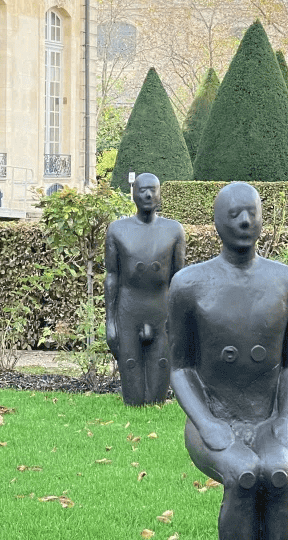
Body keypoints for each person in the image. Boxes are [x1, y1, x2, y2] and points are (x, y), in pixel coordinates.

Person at [168, 182, 288, 540]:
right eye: (234, 214)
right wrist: (207, 423)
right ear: (217, 222)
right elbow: (179, 369)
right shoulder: (188, 284)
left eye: (252, 213)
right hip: (214, 417)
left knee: (279, 475)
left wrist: (287, 420)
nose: (245, 221)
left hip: (268, 418)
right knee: (243, 475)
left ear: (262, 219)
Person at [104, 173, 185, 405]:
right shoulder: (117, 230)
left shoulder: (174, 231)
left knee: (156, 397)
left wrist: (179, 321)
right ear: (134, 194)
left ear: (160, 194)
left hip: (161, 313)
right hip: (129, 312)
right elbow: (112, 277)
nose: (148, 194)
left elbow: (178, 279)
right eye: (142, 190)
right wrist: (111, 322)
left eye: (152, 190)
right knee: (134, 397)